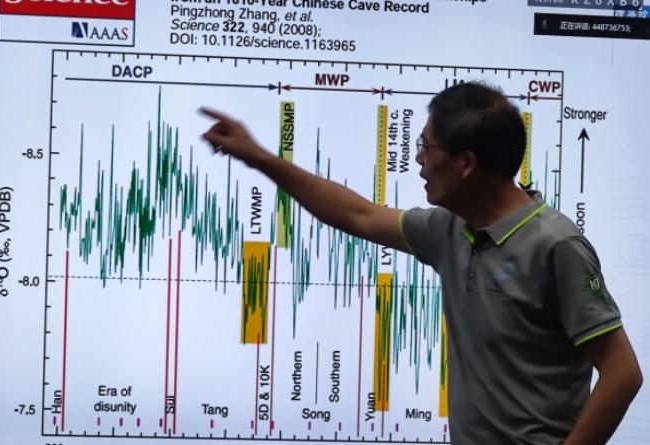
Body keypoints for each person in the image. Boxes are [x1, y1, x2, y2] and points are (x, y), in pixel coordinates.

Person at [200, 82, 642, 444]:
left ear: (465, 163)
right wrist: (259, 157)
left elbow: (622, 373)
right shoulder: (450, 229)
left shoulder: (555, 245)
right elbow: (358, 214)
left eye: (426, 147)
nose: (418, 159)